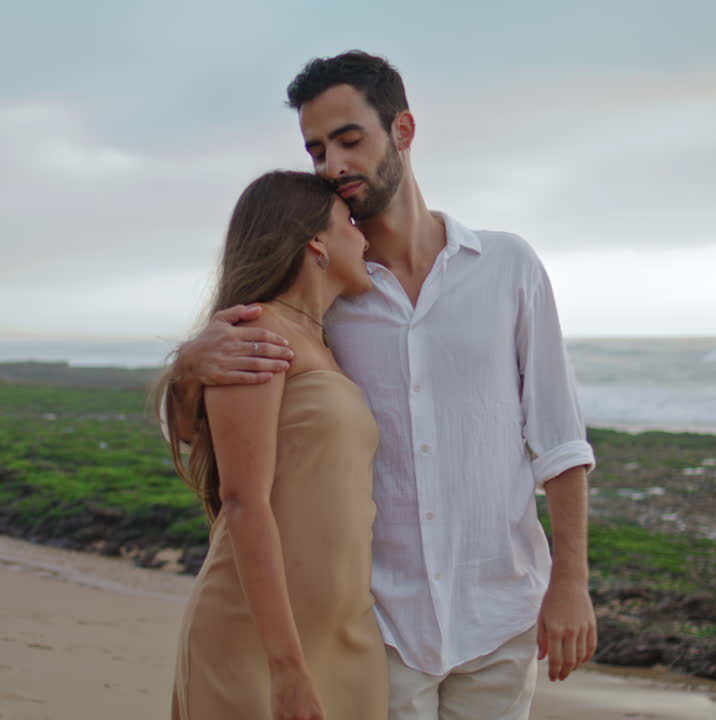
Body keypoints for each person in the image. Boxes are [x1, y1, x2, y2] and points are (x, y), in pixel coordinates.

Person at [167, 52, 597, 720]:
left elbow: (559, 438)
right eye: (315, 150)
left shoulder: (508, 267)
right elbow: (223, 428)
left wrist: (571, 580)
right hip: (380, 628)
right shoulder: (328, 296)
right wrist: (188, 364)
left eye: (349, 140)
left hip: (501, 617)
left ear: (402, 131)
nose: (332, 166)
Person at [158, 169, 387, 720]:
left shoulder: (327, 340)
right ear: (316, 242)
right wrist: (285, 666)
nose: (364, 237)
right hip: (259, 646)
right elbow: (243, 501)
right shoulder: (257, 331)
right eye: (350, 224)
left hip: (344, 636)